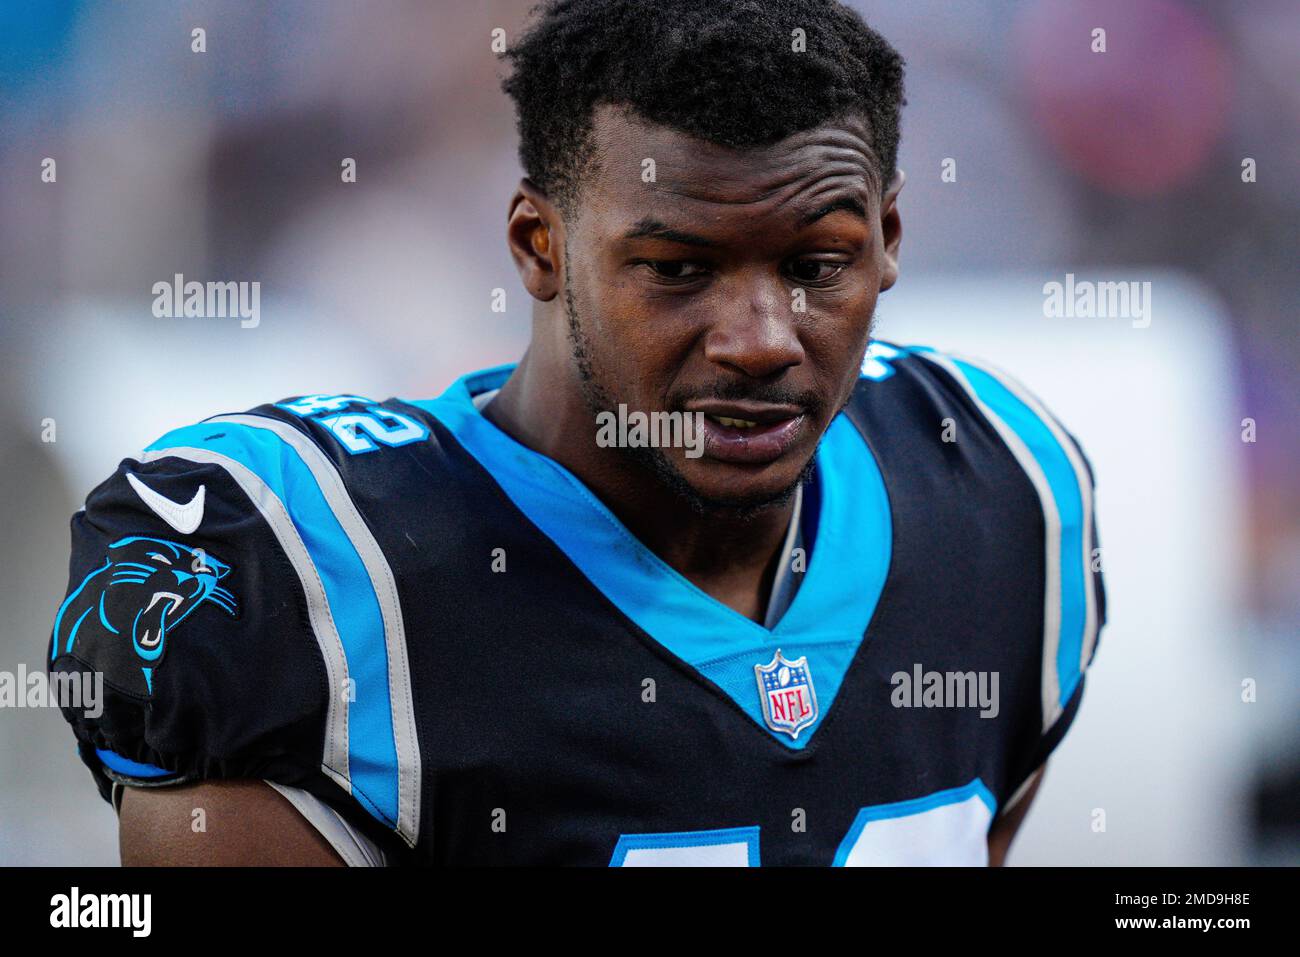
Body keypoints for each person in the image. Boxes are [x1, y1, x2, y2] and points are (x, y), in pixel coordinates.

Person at [49, 0, 1103, 866]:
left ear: (886, 243)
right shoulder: (312, 574)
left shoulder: (1001, 483)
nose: (759, 341)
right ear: (538, 245)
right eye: (677, 267)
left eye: (817, 263)